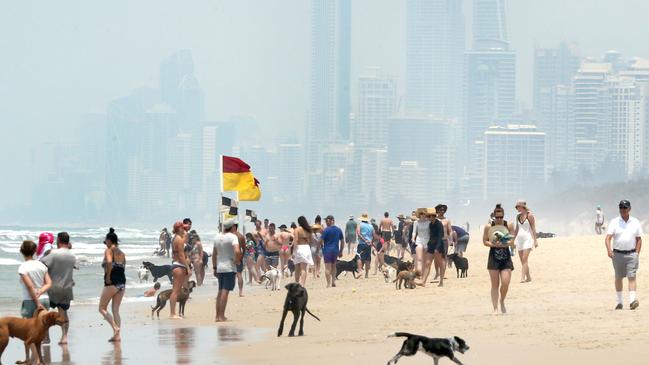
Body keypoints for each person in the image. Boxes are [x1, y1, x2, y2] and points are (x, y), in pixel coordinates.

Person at [17, 240, 52, 363]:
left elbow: (30, 287)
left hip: (32, 302)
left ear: (22, 251)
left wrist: (37, 302)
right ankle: (38, 359)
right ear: (35, 251)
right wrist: (41, 291)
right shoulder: (41, 265)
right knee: (39, 332)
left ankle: (36, 359)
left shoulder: (23, 267)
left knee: (29, 333)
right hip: (45, 299)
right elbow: (49, 283)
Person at [605, 200, 643, 310]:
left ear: (629, 209)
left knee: (632, 277)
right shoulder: (614, 222)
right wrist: (609, 250)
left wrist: (637, 253)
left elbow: (639, 239)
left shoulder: (635, 222)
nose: (622, 210)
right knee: (618, 277)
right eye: (621, 208)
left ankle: (632, 301)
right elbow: (608, 238)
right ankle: (619, 302)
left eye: (625, 208)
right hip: (617, 254)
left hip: (631, 254)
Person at [41, 232, 76, 345]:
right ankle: (64, 337)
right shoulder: (72, 255)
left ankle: (46, 338)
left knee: (44, 313)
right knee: (64, 313)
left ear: (59, 240)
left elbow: (41, 264)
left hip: (52, 288)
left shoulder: (54, 253)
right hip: (67, 288)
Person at [483, 204, 514, 315]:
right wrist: (493, 244)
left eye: (501, 217)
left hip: (506, 257)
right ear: (494, 217)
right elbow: (485, 241)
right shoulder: (488, 226)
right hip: (493, 257)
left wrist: (505, 243)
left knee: (505, 282)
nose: (499, 219)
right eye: (497, 217)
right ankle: (495, 308)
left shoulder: (508, 225)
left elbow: (512, 240)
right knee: (494, 284)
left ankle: (502, 300)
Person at [213, 219, 243, 321]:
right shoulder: (233, 237)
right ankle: (221, 316)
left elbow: (214, 254)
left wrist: (214, 267)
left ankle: (217, 316)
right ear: (233, 227)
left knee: (220, 291)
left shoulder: (217, 237)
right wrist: (237, 260)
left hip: (220, 267)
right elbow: (237, 251)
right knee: (225, 291)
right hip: (229, 267)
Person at [99, 228, 126, 341]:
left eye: (106, 242)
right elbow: (123, 267)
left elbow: (109, 262)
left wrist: (109, 277)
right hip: (122, 282)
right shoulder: (122, 253)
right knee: (115, 309)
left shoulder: (109, 250)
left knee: (102, 308)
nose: (105, 244)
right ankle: (117, 336)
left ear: (109, 241)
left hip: (112, 282)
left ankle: (115, 328)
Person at [170, 221, 192, 319]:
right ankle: (172, 313)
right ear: (179, 229)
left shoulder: (176, 238)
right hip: (179, 266)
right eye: (183, 228)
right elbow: (181, 255)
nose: (184, 230)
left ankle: (173, 313)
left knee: (177, 290)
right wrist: (187, 267)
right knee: (175, 291)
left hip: (177, 264)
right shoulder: (178, 239)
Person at [512, 200, 538, 283]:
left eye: (518, 207)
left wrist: (535, 240)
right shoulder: (517, 216)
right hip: (519, 240)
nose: (517, 208)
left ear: (522, 206)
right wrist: (513, 239)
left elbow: (533, 228)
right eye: (516, 207)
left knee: (524, 259)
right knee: (522, 261)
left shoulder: (530, 215)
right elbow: (516, 229)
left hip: (528, 239)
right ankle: (529, 277)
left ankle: (522, 278)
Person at [420, 209, 444, 287]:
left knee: (440, 263)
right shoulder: (430, 225)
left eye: (431, 216)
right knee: (427, 263)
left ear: (434, 216)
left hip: (439, 245)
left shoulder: (439, 224)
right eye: (428, 216)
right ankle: (423, 282)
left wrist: (437, 248)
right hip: (431, 245)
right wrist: (428, 245)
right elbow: (430, 236)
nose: (430, 218)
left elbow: (441, 236)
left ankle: (441, 281)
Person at [319, 215, 344, 287]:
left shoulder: (326, 230)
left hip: (327, 250)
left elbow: (320, 240)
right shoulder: (338, 230)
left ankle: (328, 283)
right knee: (334, 266)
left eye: (326, 221)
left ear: (330, 221)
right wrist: (341, 251)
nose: (326, 222)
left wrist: (321, 247)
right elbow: (342, 241)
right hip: (335, 250)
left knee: (327, 267)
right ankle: (333, 281)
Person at [292, 216, 315, 286]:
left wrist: (293, 251)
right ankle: (303, 284)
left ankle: (296, 283)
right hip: (306, 248)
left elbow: (295, 240)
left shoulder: (297, 230)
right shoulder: (308, 230)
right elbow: (311, 241)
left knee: (297, 268)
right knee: (304, 268)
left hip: (299, 248)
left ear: (298, 222)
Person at [433, 204, 452, 282]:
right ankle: (437, 272)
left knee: (444, 258)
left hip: (444, 241)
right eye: (441, 210)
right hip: (435, 241)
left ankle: (442, 274)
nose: (442, 211)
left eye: (443, 210)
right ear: (437, 211)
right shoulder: (434, 220)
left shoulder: (447, 220)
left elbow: (450, 231)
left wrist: (450, 240)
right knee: (436, 258)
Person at [411, 209, 430, 275]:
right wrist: (413, 238)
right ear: (419, 215)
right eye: (421, 214)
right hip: (419, 240)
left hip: (427, 241)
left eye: (424, 214)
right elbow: (414, 232)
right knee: (419, 259)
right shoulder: (416, 222)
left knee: (424, 260)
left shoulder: (428, 222)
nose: (423, 215)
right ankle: (419, 274)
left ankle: (423, 275)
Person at [356, 213, 374, 278]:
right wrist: (370, 242)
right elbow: (373, 235)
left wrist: (364, 240)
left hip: (362, 244)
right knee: (368, 259)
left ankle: (360, 271)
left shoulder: (360, 225)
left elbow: (358, 234)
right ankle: (366, 274)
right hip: (369, 245)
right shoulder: (371, 226)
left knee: (359, 257)